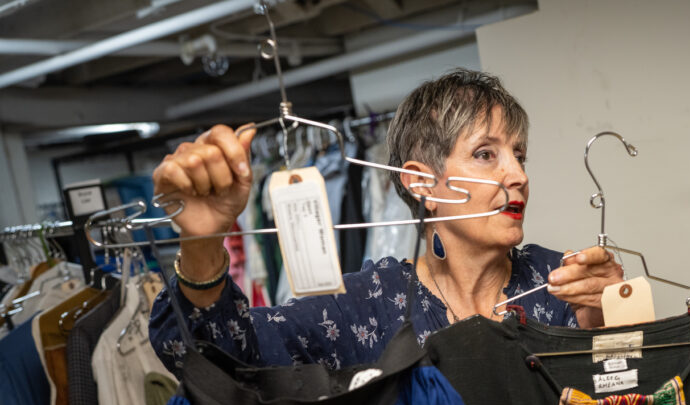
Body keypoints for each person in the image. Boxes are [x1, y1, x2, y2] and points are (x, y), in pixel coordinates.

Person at [149, 69, 624, 371]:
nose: (518, 176)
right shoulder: (365, 309)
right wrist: (203, 243)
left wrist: (612, 318)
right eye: (486, 154)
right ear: (421, 185)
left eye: (519, 155)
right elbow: (213, 354)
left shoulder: (557, 282)